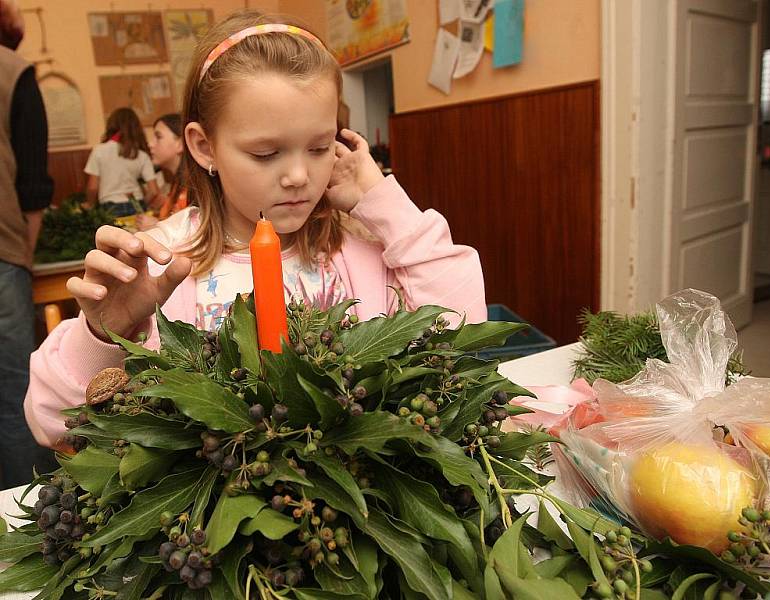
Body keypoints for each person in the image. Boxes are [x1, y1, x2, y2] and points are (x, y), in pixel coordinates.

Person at [24, 10, 486, 448]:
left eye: (320, 146)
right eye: (266, 154)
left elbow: (460, 343)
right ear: (204, 146)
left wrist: (387, 204)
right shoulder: (159, 262)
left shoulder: (359, 248)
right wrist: (105, 336)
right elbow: (51, 423)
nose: (299, 176)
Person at [0, 0, 57, 485]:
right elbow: (34, 184)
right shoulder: (13, 73)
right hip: (2, 250)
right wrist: (24, 253)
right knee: (14, 388)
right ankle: (23, 520)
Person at [83, 107, 160, 218]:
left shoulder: (99, 150)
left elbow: (92, 187)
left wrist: (90, 204)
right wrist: (142, 205)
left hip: (110, 207)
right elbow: (153, 191)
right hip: (136, 204)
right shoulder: (142, 155)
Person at [135, 112, 188, 231]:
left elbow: (193, 230)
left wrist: (157, 225)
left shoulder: (195, 187)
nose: (150, 144)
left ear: (180, 144)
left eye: (158, 137)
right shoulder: (178, 183)